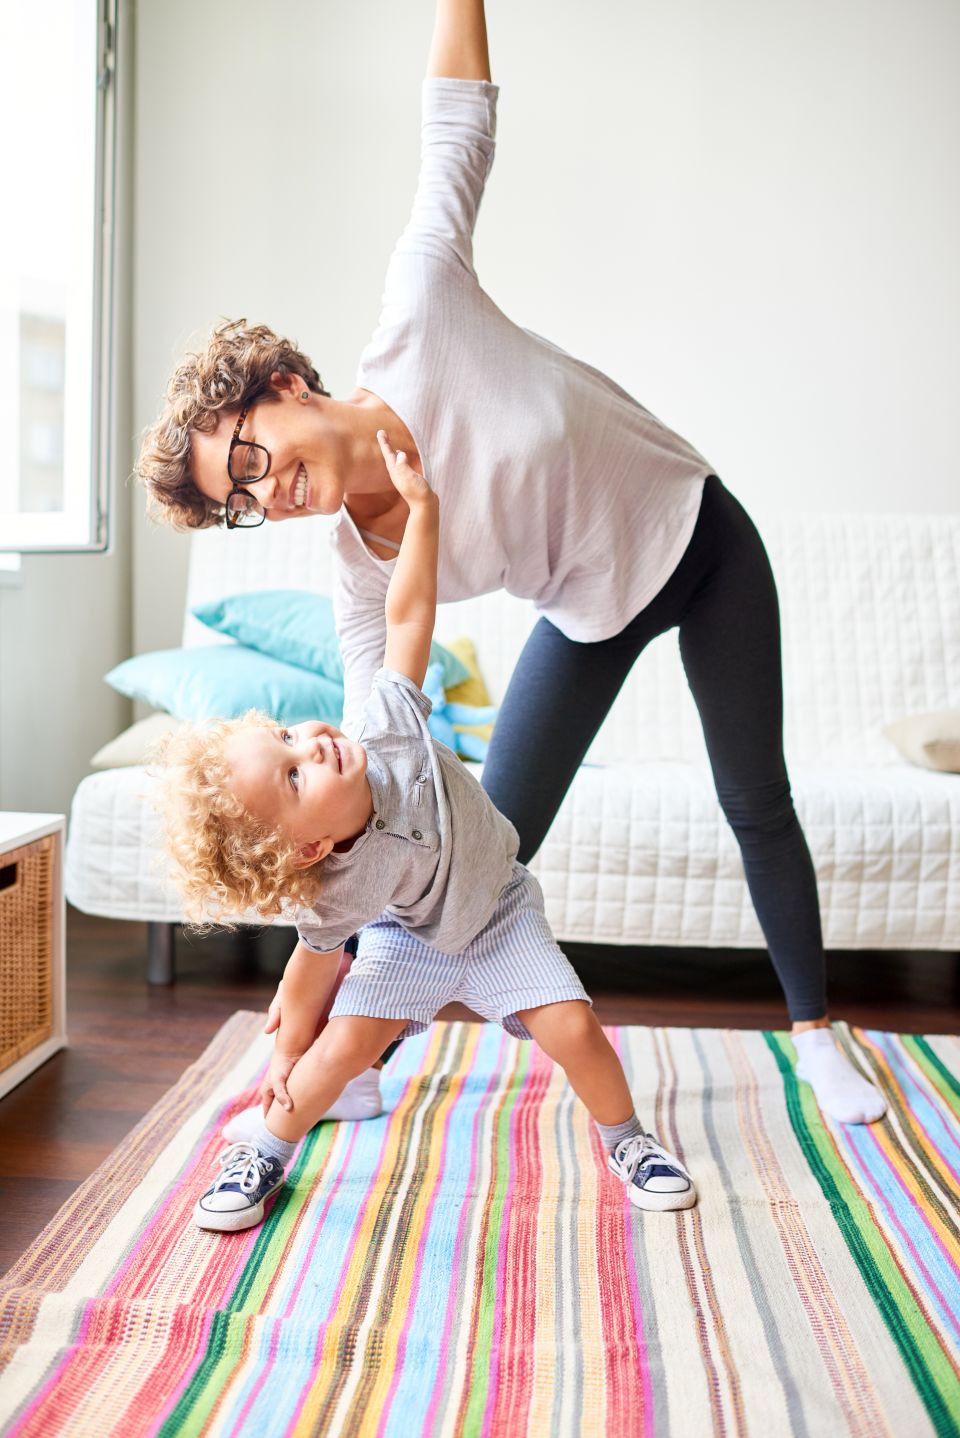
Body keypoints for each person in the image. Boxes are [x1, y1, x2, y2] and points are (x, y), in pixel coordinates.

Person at [138, 0, 885, 1127]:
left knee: (755, 797)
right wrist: (311, 896)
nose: (264, 490)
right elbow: (376, 732)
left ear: (282, 385)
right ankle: (362, 1071)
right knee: (471, 845)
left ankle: (819, 1033)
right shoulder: (356, 564)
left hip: (701, 537)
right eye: (240, 498)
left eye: (250, 456)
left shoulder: (423, 309)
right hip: (587, 613)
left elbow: (456, 128)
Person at [156, 436, 697, 1231]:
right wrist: (284, 1058)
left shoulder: (387, 728)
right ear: (306, 848)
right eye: (295, 775)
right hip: (408, 939)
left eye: (289, 737)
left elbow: (407, 611)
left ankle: (629, 1141)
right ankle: (265, 1151)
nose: (312, 743)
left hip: (499, 911)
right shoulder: (331, 888)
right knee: (337, 1055)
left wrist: (424, 512)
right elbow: (306, 979)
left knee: (574, 1026)